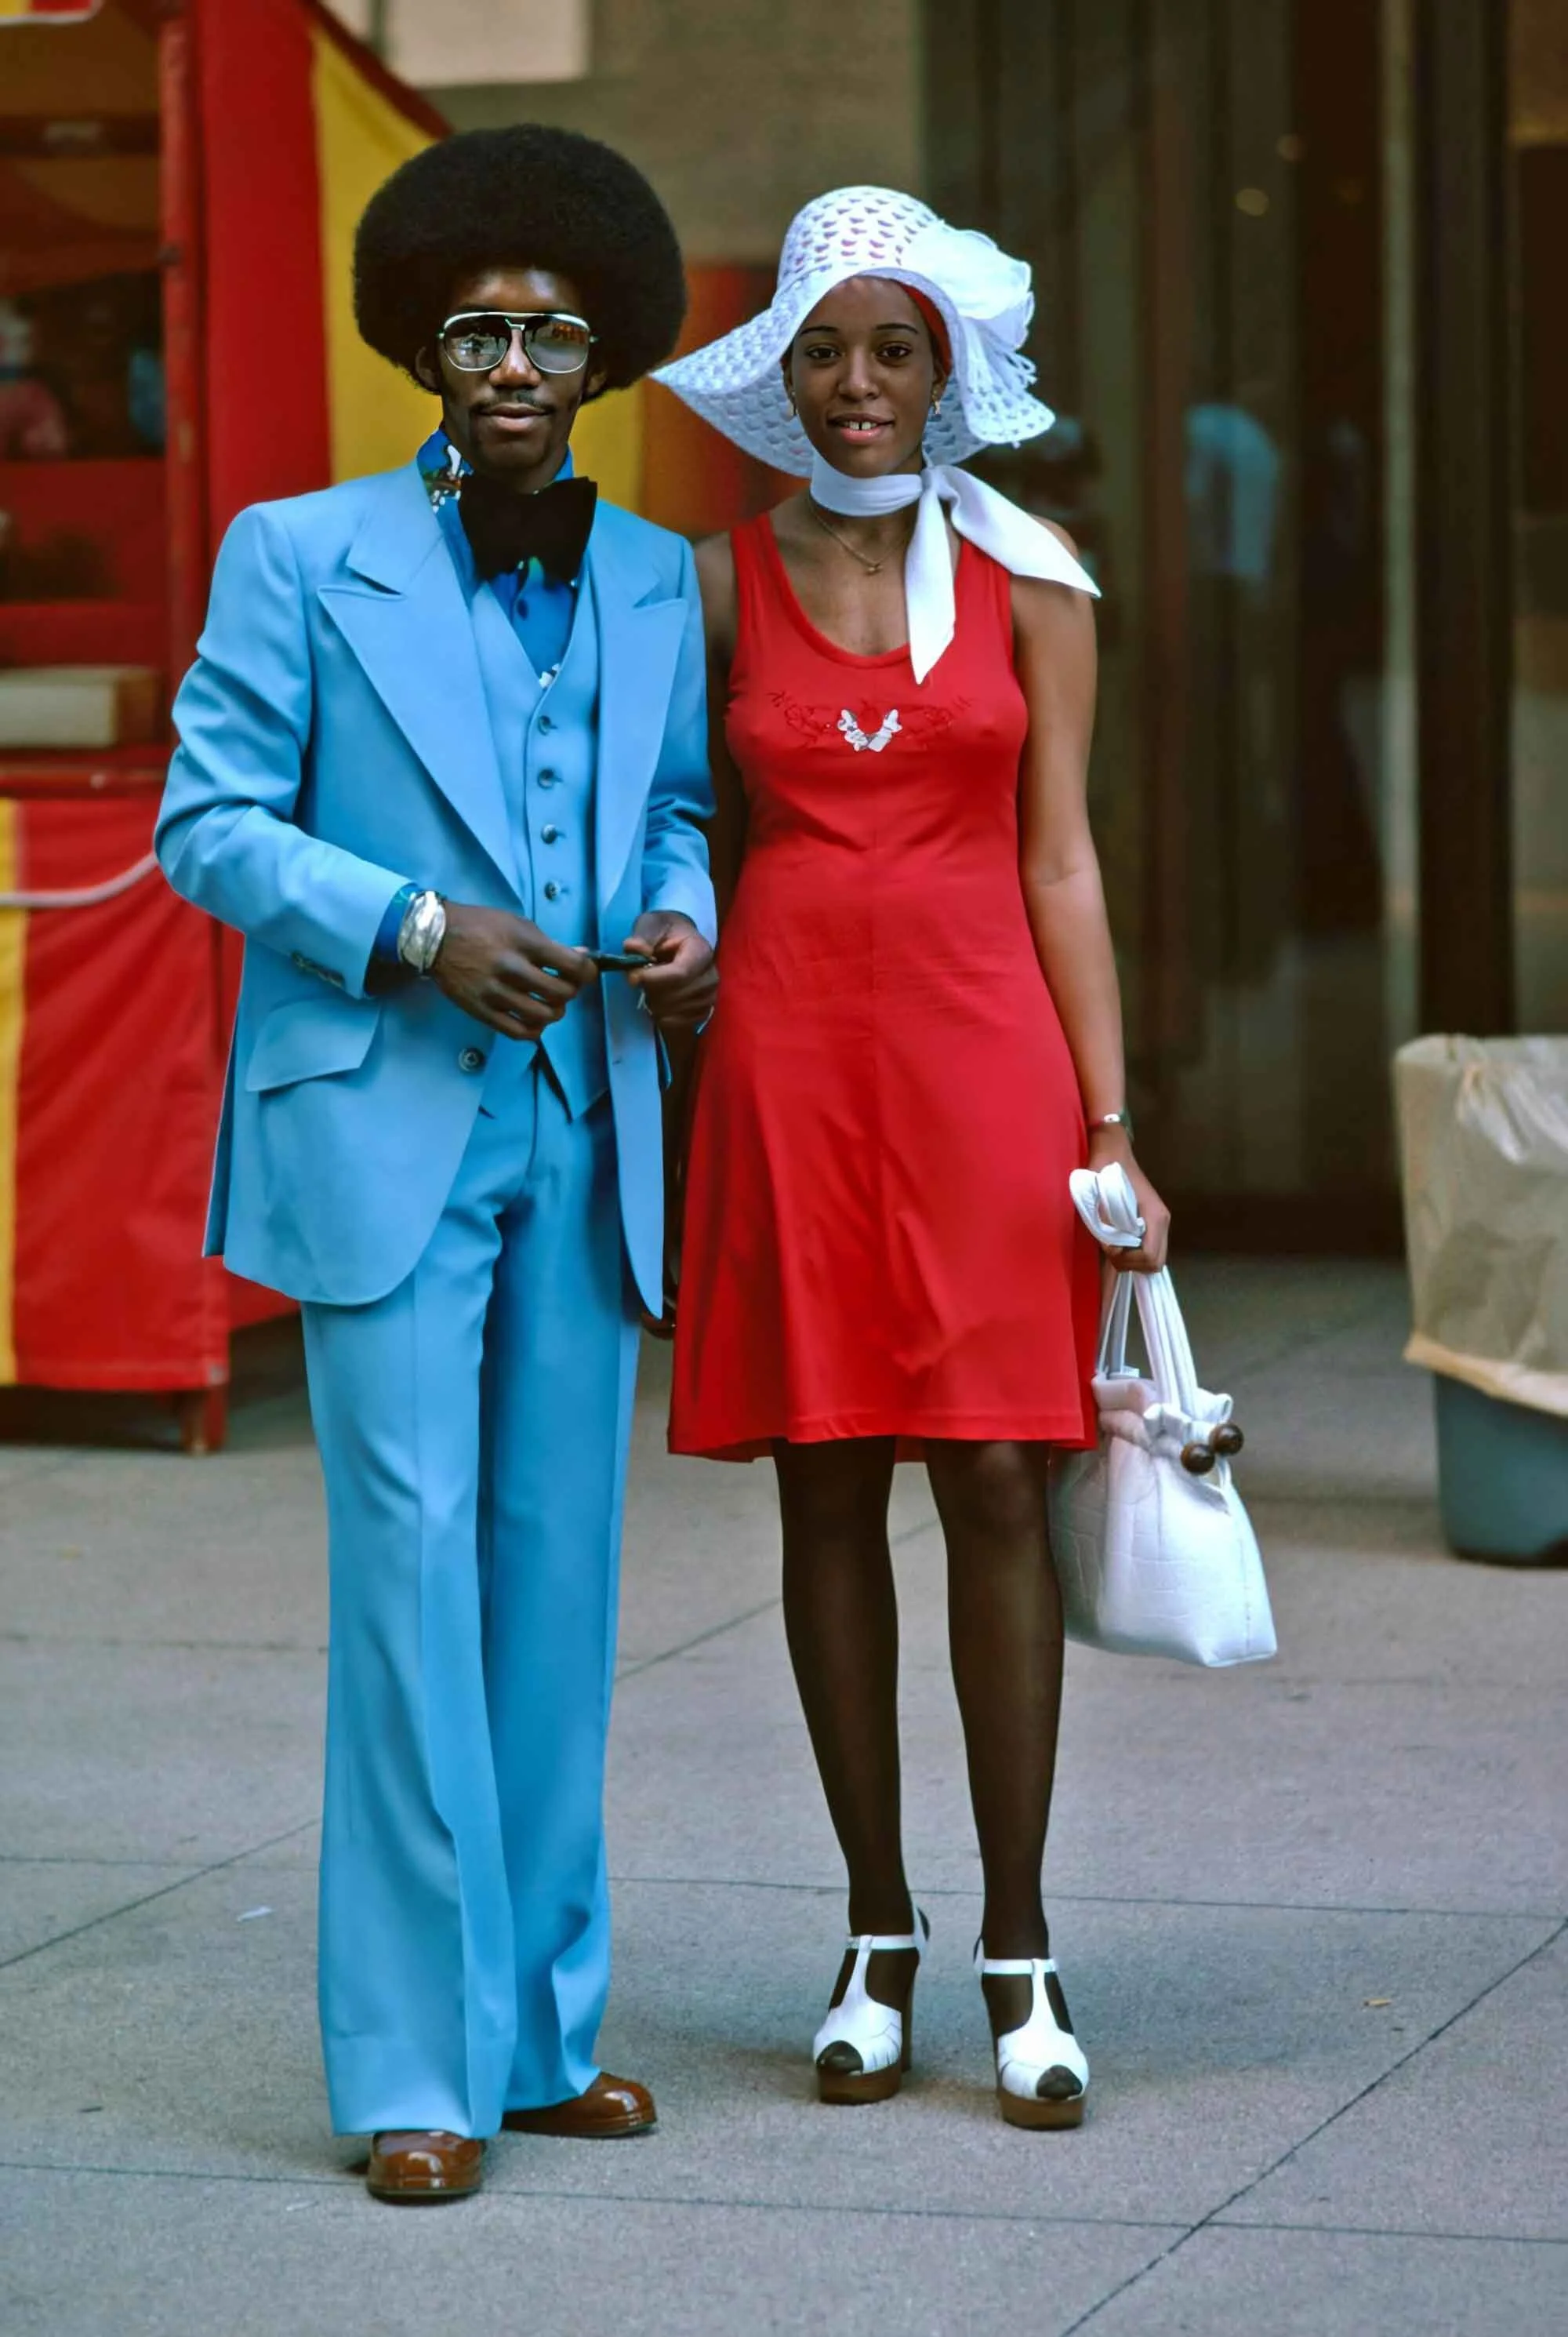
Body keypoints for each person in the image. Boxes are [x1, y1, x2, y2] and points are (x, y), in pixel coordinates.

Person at [155, 126, 716, 2203]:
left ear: (603, 358)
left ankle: (540, 2028)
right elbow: (207, 825)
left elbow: (670, 811)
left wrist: (686, 920)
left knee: (556, 1586)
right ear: (424, 346)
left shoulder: (655, 573)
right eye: (477, 329)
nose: (513, 360)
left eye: (553, 331)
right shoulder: (297, 553)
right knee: (406, 1581)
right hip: (381, 1123)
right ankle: (408, 2061)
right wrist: (409, 922)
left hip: (582, 1134)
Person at [654, 187, 1169, 2129]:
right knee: (822, 1488)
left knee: (996, 1485)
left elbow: (1063, 858)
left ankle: (1020, 1947)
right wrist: (676, 947)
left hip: (986, 1074)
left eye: (893, 350)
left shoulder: (1037, 577)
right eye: (824, 353)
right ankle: (875, 1929)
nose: (857, 385)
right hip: (788, 1071)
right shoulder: (709, 582)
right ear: (780, 378)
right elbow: (675, 833)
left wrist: (1112, 1125)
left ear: (946, 372)